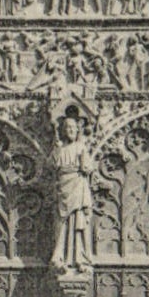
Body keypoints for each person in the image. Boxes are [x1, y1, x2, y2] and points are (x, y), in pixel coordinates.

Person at [50, 112, 94, 270]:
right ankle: (60, 255)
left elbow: (88, 167)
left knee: (78, 219)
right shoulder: (60, 149)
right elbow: (53, 166)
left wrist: (82, 166)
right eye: (66, 127)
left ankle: (77, 257)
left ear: (77, 131)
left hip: (77, 185)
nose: (69, 130)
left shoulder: (81, 147)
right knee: (62, 222)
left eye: (72, 127)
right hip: (64, 187)